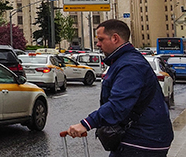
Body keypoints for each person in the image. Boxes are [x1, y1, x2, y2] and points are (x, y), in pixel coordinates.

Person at [66, 19, 173, 156]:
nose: (98, 44)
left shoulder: (130, 65)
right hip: (145, 137)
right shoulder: (125, 60)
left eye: (101, 39)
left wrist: (86, 124)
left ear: (115, 38)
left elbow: (119, 104)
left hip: (141, 141)